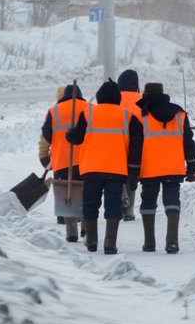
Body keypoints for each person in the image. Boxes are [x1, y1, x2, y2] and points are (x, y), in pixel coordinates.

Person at [66, 79, 142, 254]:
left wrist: (70, 133)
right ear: (118, 98)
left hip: (91, 168)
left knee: (90, 203)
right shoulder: (128, 116)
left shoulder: (88, 113)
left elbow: (76, 138)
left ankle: (91, 241)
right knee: (113, 205)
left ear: (99, 96)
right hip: (116, 170)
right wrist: (133, 172)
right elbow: (137, 146)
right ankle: (110, 243)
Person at [129, 82, 195, 254]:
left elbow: (135, 147)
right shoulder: (180, 114)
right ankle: (172, 241)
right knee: (172, 201)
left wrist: (132, 172)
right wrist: (192, 166)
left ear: (145, 95)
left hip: (150, 169)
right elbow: (188, 142)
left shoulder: (140, 116)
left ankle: (149, 243)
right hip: (173, 168)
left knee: (148, 202)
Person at [39, 84, 88, 242]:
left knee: (68, 195)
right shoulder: (90, 109)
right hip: (86, 160)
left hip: (62, 161)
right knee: (87, 194)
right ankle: (87, 227)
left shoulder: (54, 111)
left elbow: (46, 135)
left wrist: (45, 156)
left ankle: (71, 231)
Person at [117, 69, 143, 222]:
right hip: (138, 145)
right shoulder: (143, 100)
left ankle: (122, 196)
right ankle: (129, 211)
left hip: (118, 144)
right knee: (133, 176)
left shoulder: (116, 99)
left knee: (119, 176)